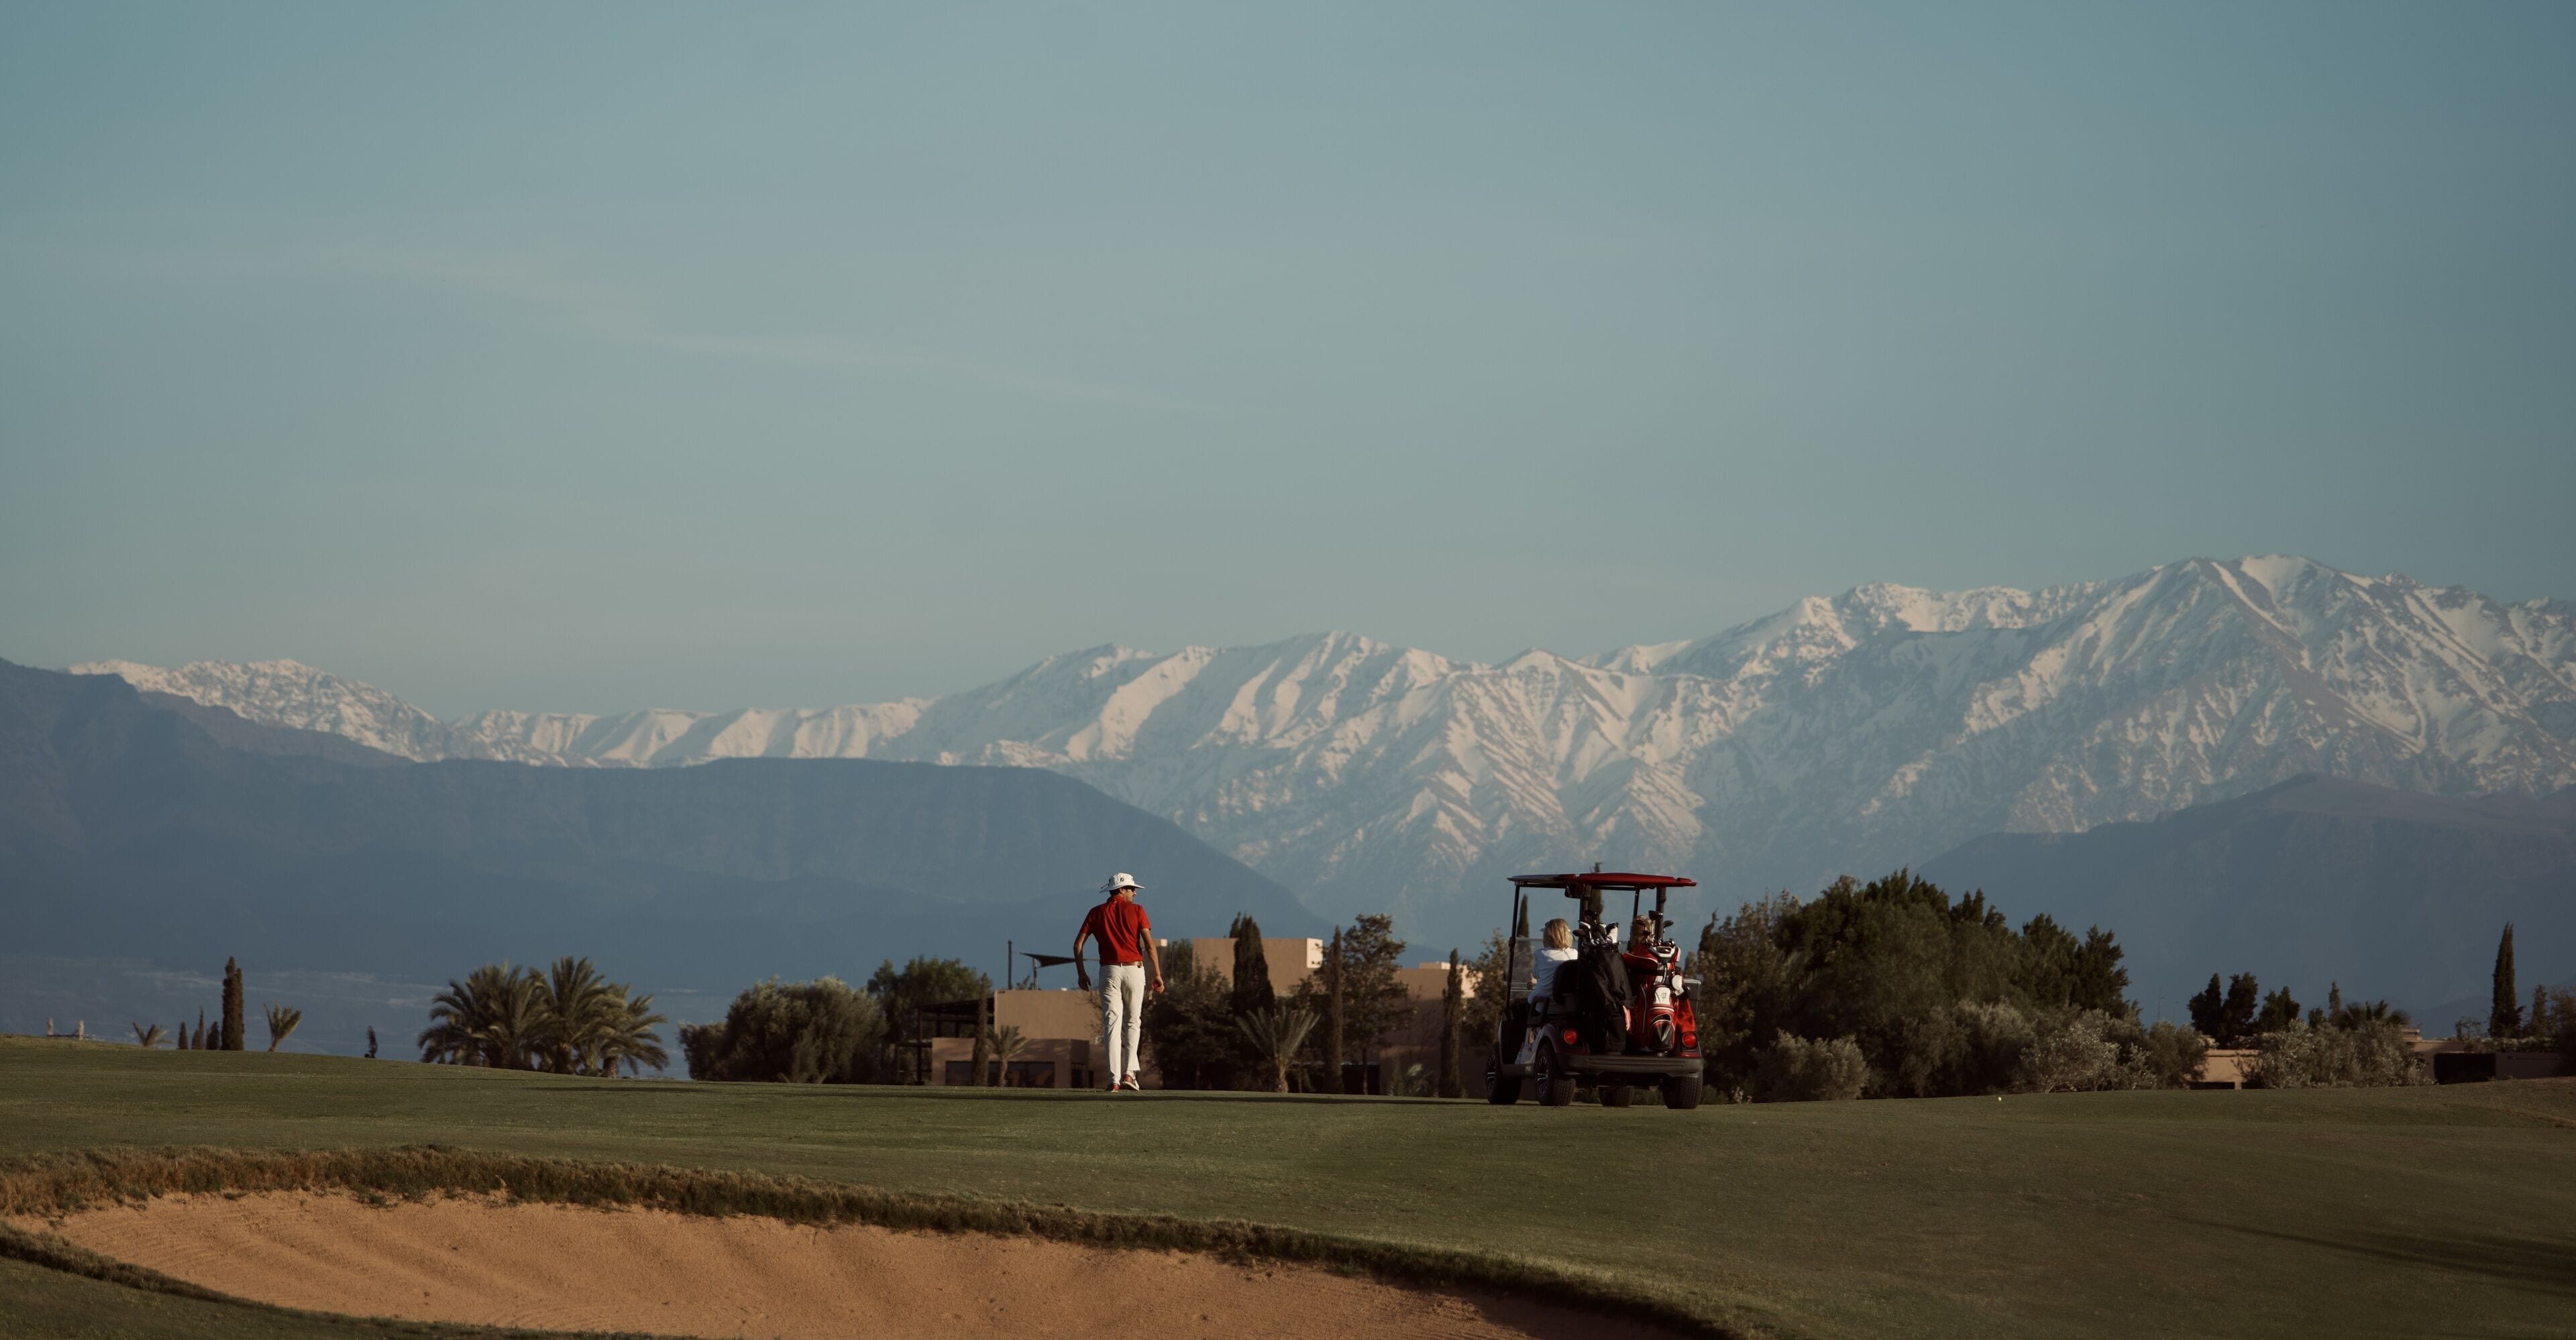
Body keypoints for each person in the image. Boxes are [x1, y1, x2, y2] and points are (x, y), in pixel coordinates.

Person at [1073, 872, 1163, 1092]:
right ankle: (1129, 1075)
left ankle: (1113, 1080)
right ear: (1122, 890)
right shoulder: (1138, 911)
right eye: (1132, 888)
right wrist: (1157, 974)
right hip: (1134, 969)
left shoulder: (1096, 913)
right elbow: (1149, 945)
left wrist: (1081, 973)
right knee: (1133, 1022)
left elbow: (1077, 946)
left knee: (1111, 1025)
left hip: (1108, 971)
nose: (1135, 892)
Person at [1527, 917, 1578, 1013]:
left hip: (1543, 1005)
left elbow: (1535, 975)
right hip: (1567, 1006)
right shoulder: (1575, 954)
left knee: (1529, 1000)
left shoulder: (1541, 954)